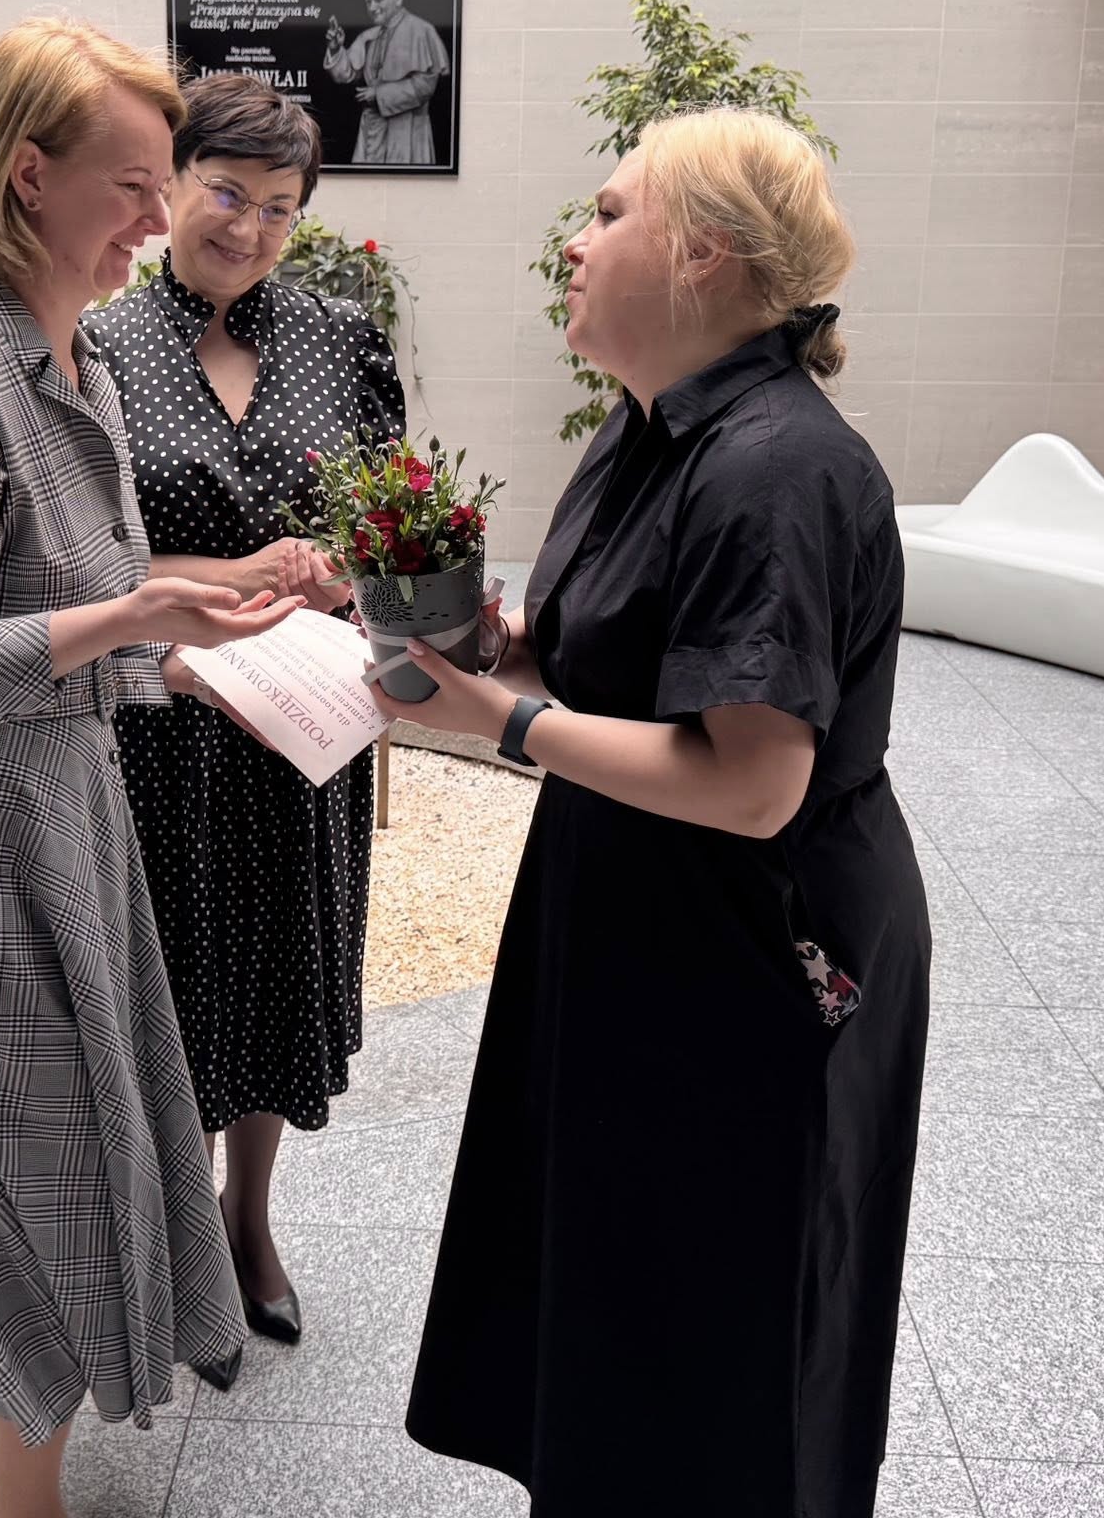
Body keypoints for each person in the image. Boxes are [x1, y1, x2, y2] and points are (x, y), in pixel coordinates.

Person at [383, 107, 934, 1516]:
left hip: (750, 942)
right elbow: (623, 659)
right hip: (635, 905)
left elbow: (753, 781)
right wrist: (490, 651)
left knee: (719, 1311)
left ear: (702, 255)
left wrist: (499, 722)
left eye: (609, 211)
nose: (576, 241)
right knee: (615, 1270)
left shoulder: (776, 466)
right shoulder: (648, 429)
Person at [0, 20, 301, 1518]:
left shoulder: (58, 357)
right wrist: (139, 619)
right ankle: (6, 1497)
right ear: (30, 176)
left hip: (43, 808)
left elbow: (66, 614)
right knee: (38, 1171)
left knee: (2, 1158)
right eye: (135, 186)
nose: (159, 222)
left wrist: (199, 655)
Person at [85, 72, 404, 1382]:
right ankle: (181, 1237)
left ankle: (248, 1220)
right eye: (226, 193)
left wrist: (344, 567)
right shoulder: (97, 346)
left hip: (301, 724)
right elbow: (80, 559)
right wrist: (230, 577)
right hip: (159, 718)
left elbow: (390, 524)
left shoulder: (341, 339)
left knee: (277, 969)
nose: (249, 227)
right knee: (172, 983)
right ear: (171, 186)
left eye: (279, 207)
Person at [322, 0, 450, 166]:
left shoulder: (421, 30)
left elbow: (425, 86)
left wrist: (379, 94)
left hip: (407, 133)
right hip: (372, 132)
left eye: (378, 0)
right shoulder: (369, 36)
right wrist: (335, 49)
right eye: (368, 2)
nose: (372, 7)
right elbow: (346, 74)